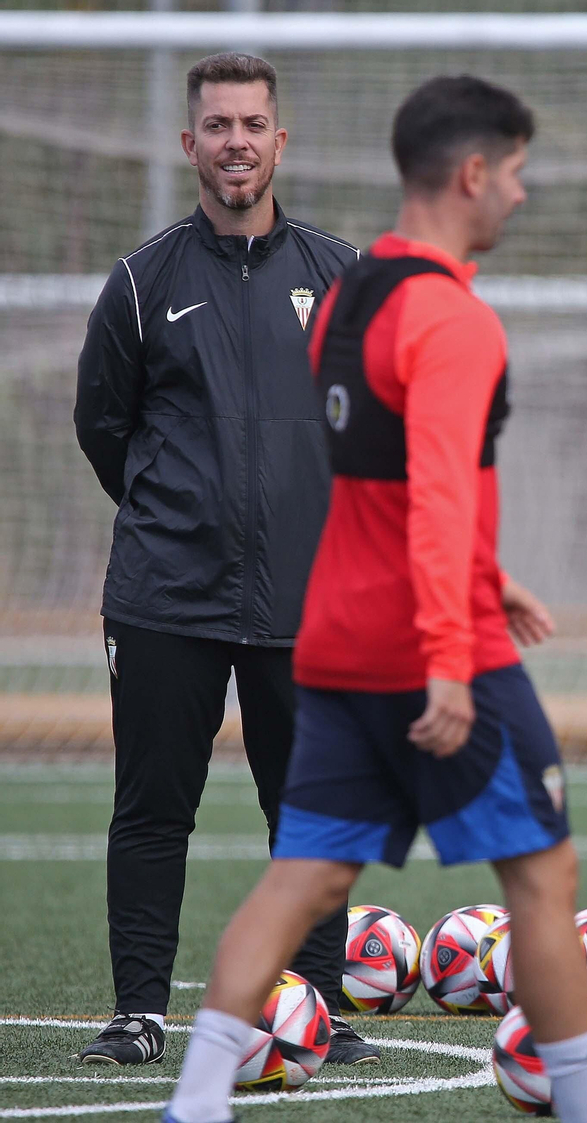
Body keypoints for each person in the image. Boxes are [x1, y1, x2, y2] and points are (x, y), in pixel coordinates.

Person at [158, 76, 587, 1123]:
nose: (518, 192)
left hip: (334, 639)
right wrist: (454, 658)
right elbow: (435, 496)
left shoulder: (347, 293)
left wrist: (488, 573)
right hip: (435, 648)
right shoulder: (454, 319)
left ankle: (194, 1104)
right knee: (544, 879)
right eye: (512, 172)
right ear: (472, 173)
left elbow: (375, 477)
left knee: (302, 882)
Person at [72, 52, 373, 1068]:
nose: (236, 140)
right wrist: (181, 515)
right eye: (218, 124)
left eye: (254, 123)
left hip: (312, 600)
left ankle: (316, 1008)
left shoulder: (340, 277)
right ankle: (139, 1012)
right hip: (167, 596)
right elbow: (103, 427)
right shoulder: (140, 283)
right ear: (188, 142)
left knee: (315, 815)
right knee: (154, 809)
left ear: (279, 141)